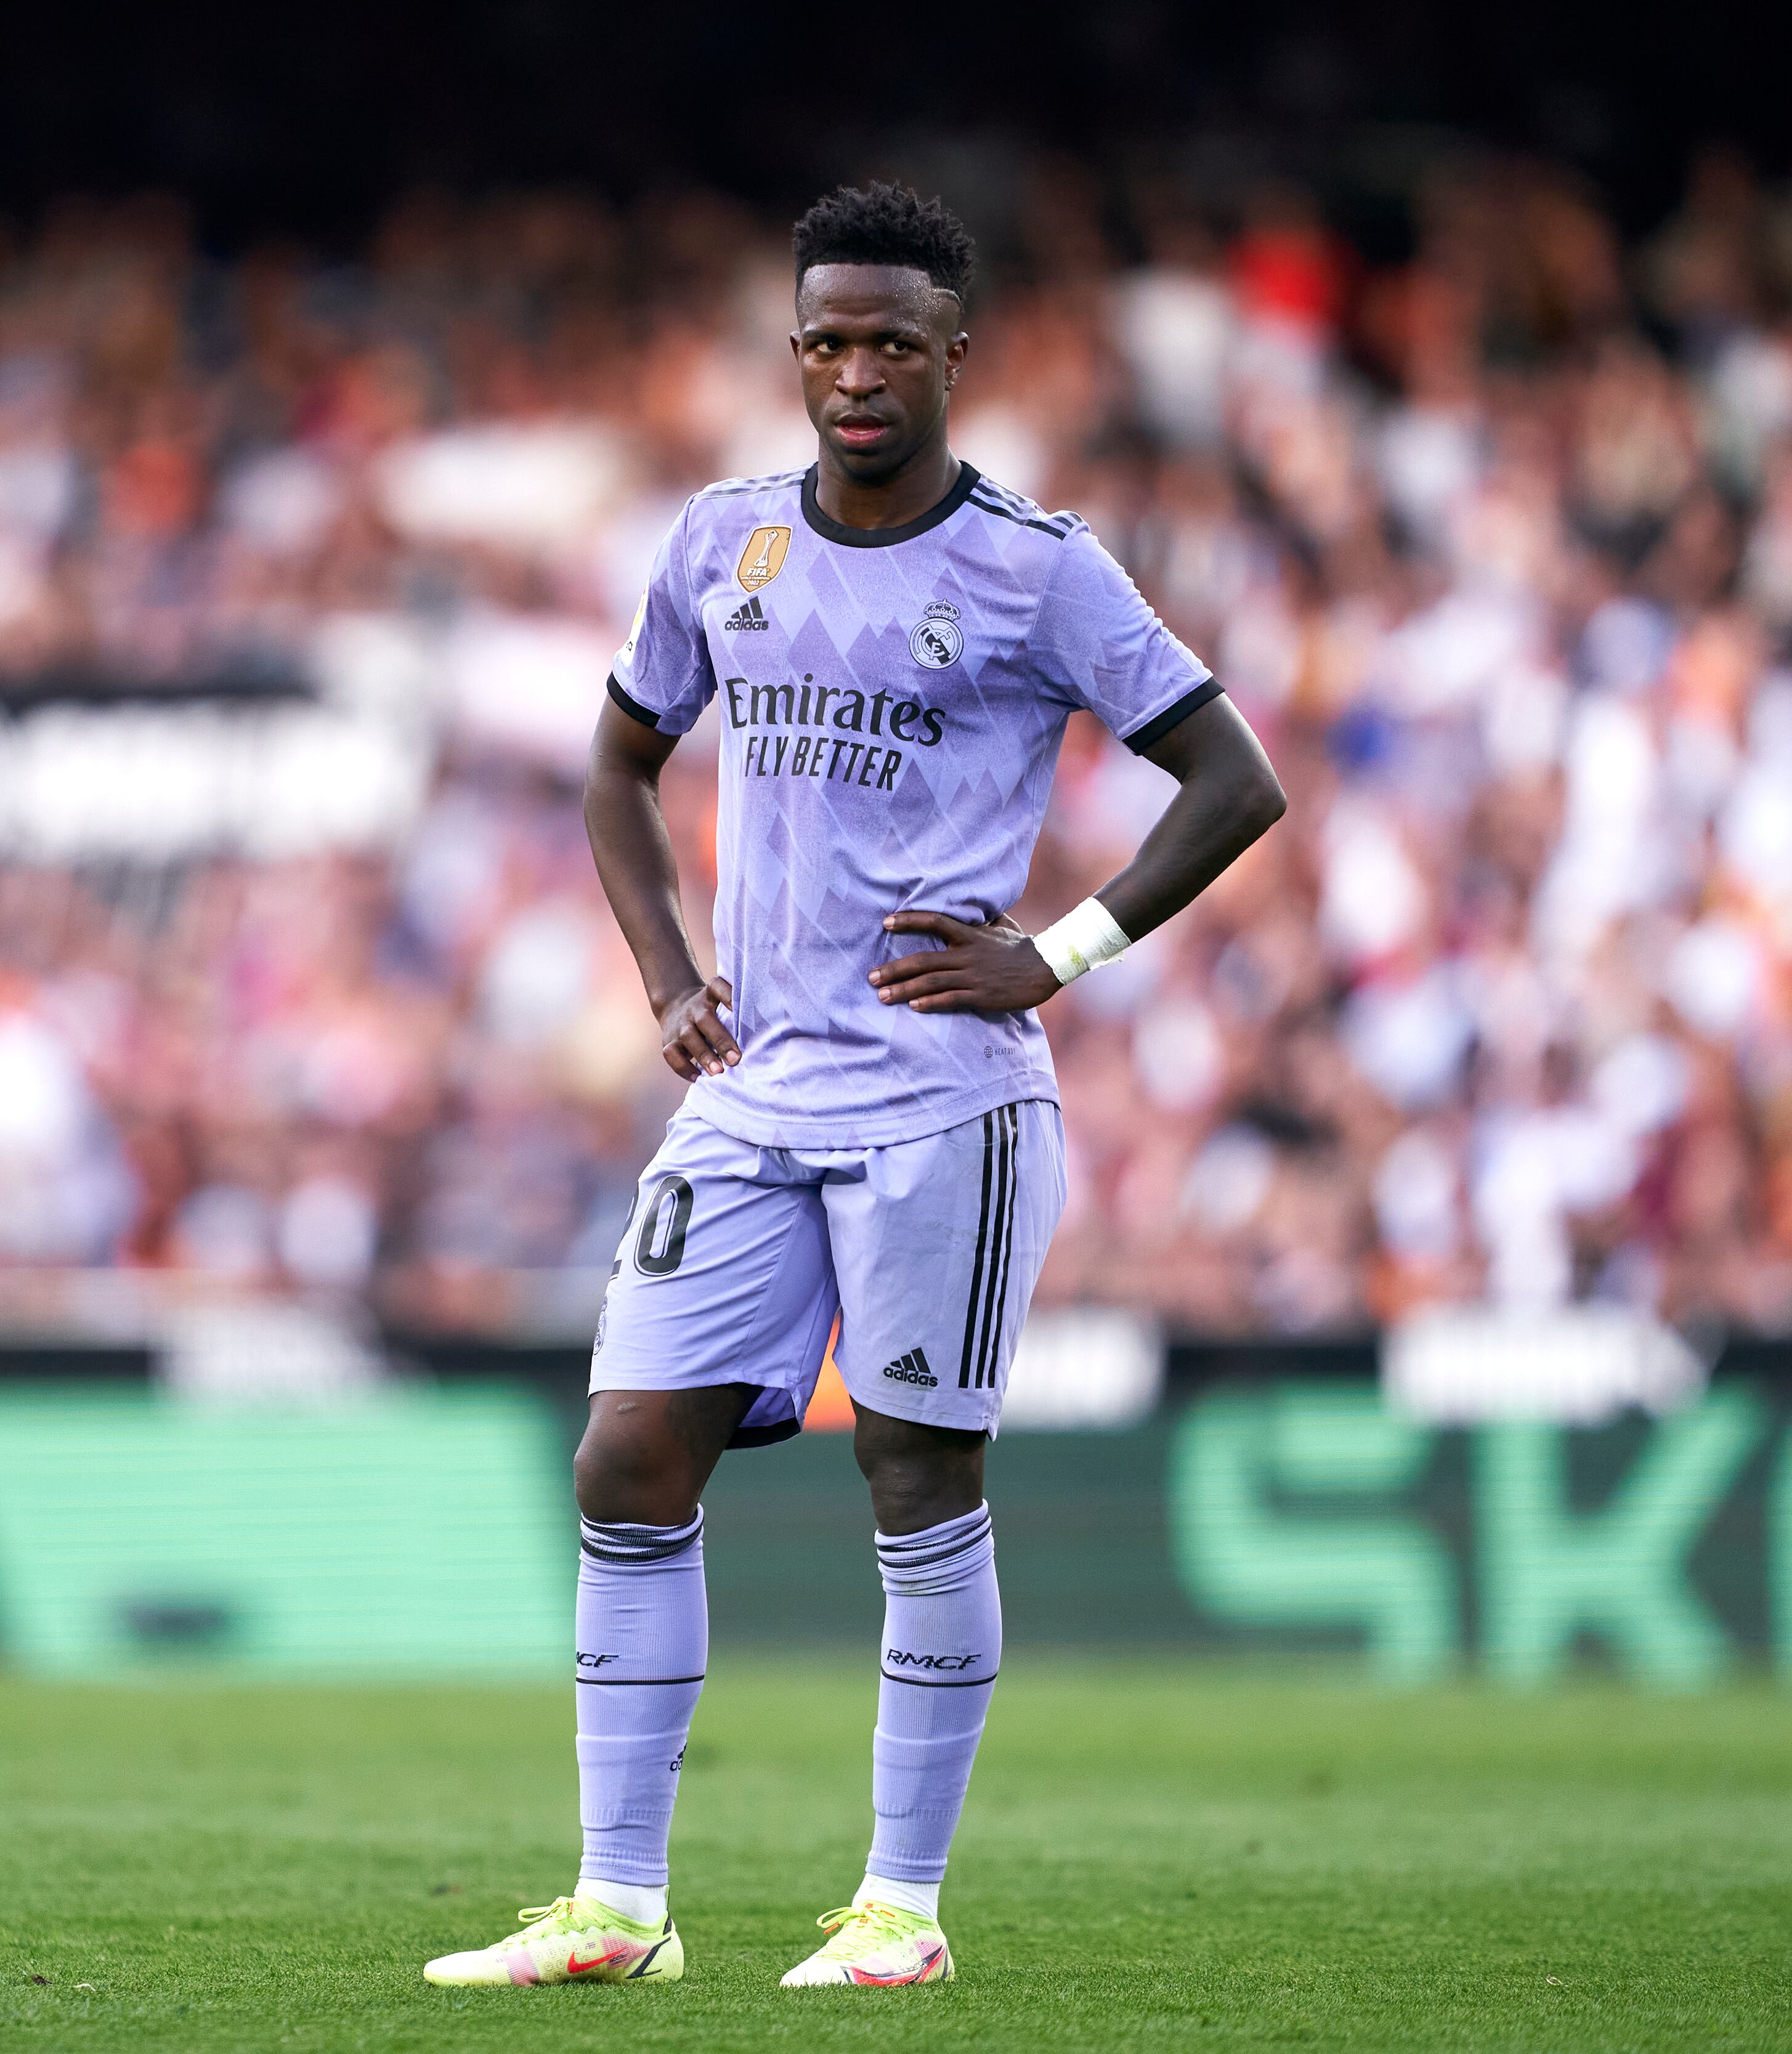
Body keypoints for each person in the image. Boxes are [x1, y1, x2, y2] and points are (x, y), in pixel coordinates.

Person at [425, 182, 1284, 1991]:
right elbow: (616, 765)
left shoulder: (1040, 568)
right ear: (793, 354)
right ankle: (619, 1908)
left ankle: (902, 1908)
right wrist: (666, 980)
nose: (859, 369)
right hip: (755, 1086)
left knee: (913, 1476)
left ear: (956, 352)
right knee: (627, 1454)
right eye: (828, 338)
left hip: (945, 1100)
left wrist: (1055, 954)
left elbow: (1231, 780)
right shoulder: (721, 543)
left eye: (896, 338)